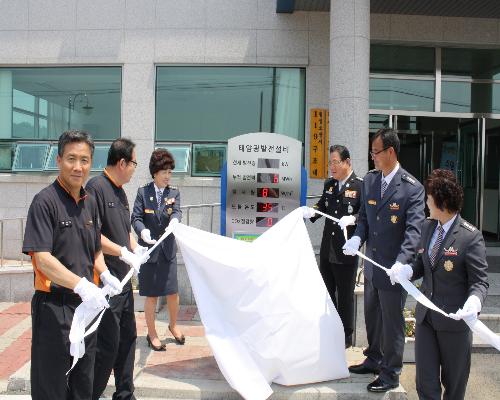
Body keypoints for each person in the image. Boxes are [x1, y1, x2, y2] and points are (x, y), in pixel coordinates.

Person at [22, 130, 110, 400]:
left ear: (91, 163)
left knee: (83, 384)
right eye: (71, 159)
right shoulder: (44, 201)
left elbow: (95, 249)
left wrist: (106, 274)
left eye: (84, 160)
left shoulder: (90, 202)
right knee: (52, 387)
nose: (78, 167)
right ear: (59, 160)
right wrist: (81, 284)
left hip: (86, 308)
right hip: (54, 308)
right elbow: (42, 258)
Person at [388, 169, 488, 400]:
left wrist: (474, 301)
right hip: (426, 320)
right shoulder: (428, 227)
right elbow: (422, 263)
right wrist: (407, 270)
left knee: (454, 387)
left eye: (429, 197)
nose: (426, 201)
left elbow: (480, 281)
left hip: (454, 322)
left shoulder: (470, 237)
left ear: (441, 202)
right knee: (426, 384)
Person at [342, 128, 425, 392]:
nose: (372, 157)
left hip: (394, 271)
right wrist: (357, 238)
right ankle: (374, 359)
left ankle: (390, 374)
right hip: (371, 266)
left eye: (375, 152)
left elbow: (413, 231)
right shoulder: (370, 180)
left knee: (392, 323)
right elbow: (364, 219)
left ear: (390, 152)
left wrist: (402, 261)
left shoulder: (412, 188)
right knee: (372, 317)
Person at [86, 138, 148, 400]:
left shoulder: (120, 192)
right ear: (122, 162)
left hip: (123, 283)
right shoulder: (96, 188)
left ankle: (125, 394)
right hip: (105, 283)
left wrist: (135, 248)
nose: (134, 168)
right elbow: (93, 235)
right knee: (106, 347)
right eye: (134, 163)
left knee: (127, 340)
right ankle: (89, 395)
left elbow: (124, 232)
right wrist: (122, 252)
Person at [309, 145, 363, 348]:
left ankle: (345, 336)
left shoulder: (360, 186)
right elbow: (322, 205)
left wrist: (354, 218)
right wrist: (311, 212)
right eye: (330, 163)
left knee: (345, 295)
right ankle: (329, 331)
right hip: (327, 249)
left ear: (347, 162)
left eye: (335, 162)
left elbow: (366, 215)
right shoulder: (329, 184)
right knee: (327, 293)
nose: (332, 167)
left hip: (346, 250)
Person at [131, 148, 183, 351]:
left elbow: (176, 211)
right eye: (164, 172)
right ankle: (151, 333)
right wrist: (142, 231)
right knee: (152, 295)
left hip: (167, 251)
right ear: (155, 173)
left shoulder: (174, 192)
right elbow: (136, 218)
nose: (168, 176)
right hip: (149, 251)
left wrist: (175, 220)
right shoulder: (143, 192)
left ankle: (173, 325)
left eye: (170, 172)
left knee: (172, 293)